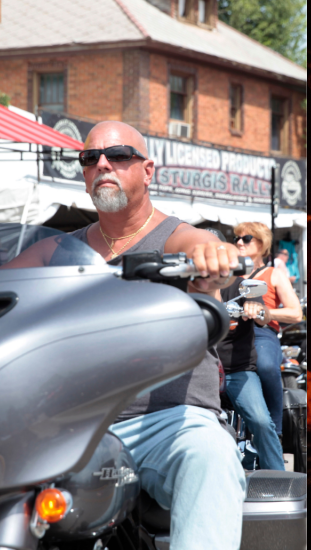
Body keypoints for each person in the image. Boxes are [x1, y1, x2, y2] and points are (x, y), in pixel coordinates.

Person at [63, 121, 245, 550]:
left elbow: (194, 240)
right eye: (91, 158)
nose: (103, 164)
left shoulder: (173, 237)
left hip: (167, 420)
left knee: (210, 456)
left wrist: (208, 252)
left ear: (148, 170)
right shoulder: (61, 250)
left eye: (119, 155)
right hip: (73, 426)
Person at [233, 222, 303, 439]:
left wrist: (269, 313)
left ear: (262, 244)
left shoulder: (273, 273)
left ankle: (276, 430)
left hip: (261, 332)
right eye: (236, 238)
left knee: (265, 366)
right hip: (230, 333)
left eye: (246, 239)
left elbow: (296, 313)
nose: (238, 243)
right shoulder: (229, 273)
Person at [216, 275, 285, 470]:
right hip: (200, 370)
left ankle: (277, 478)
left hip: (237, 370)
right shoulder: (189, 286)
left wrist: (257, 310)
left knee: (261, 421)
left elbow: (264, 316)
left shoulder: (240, 286)